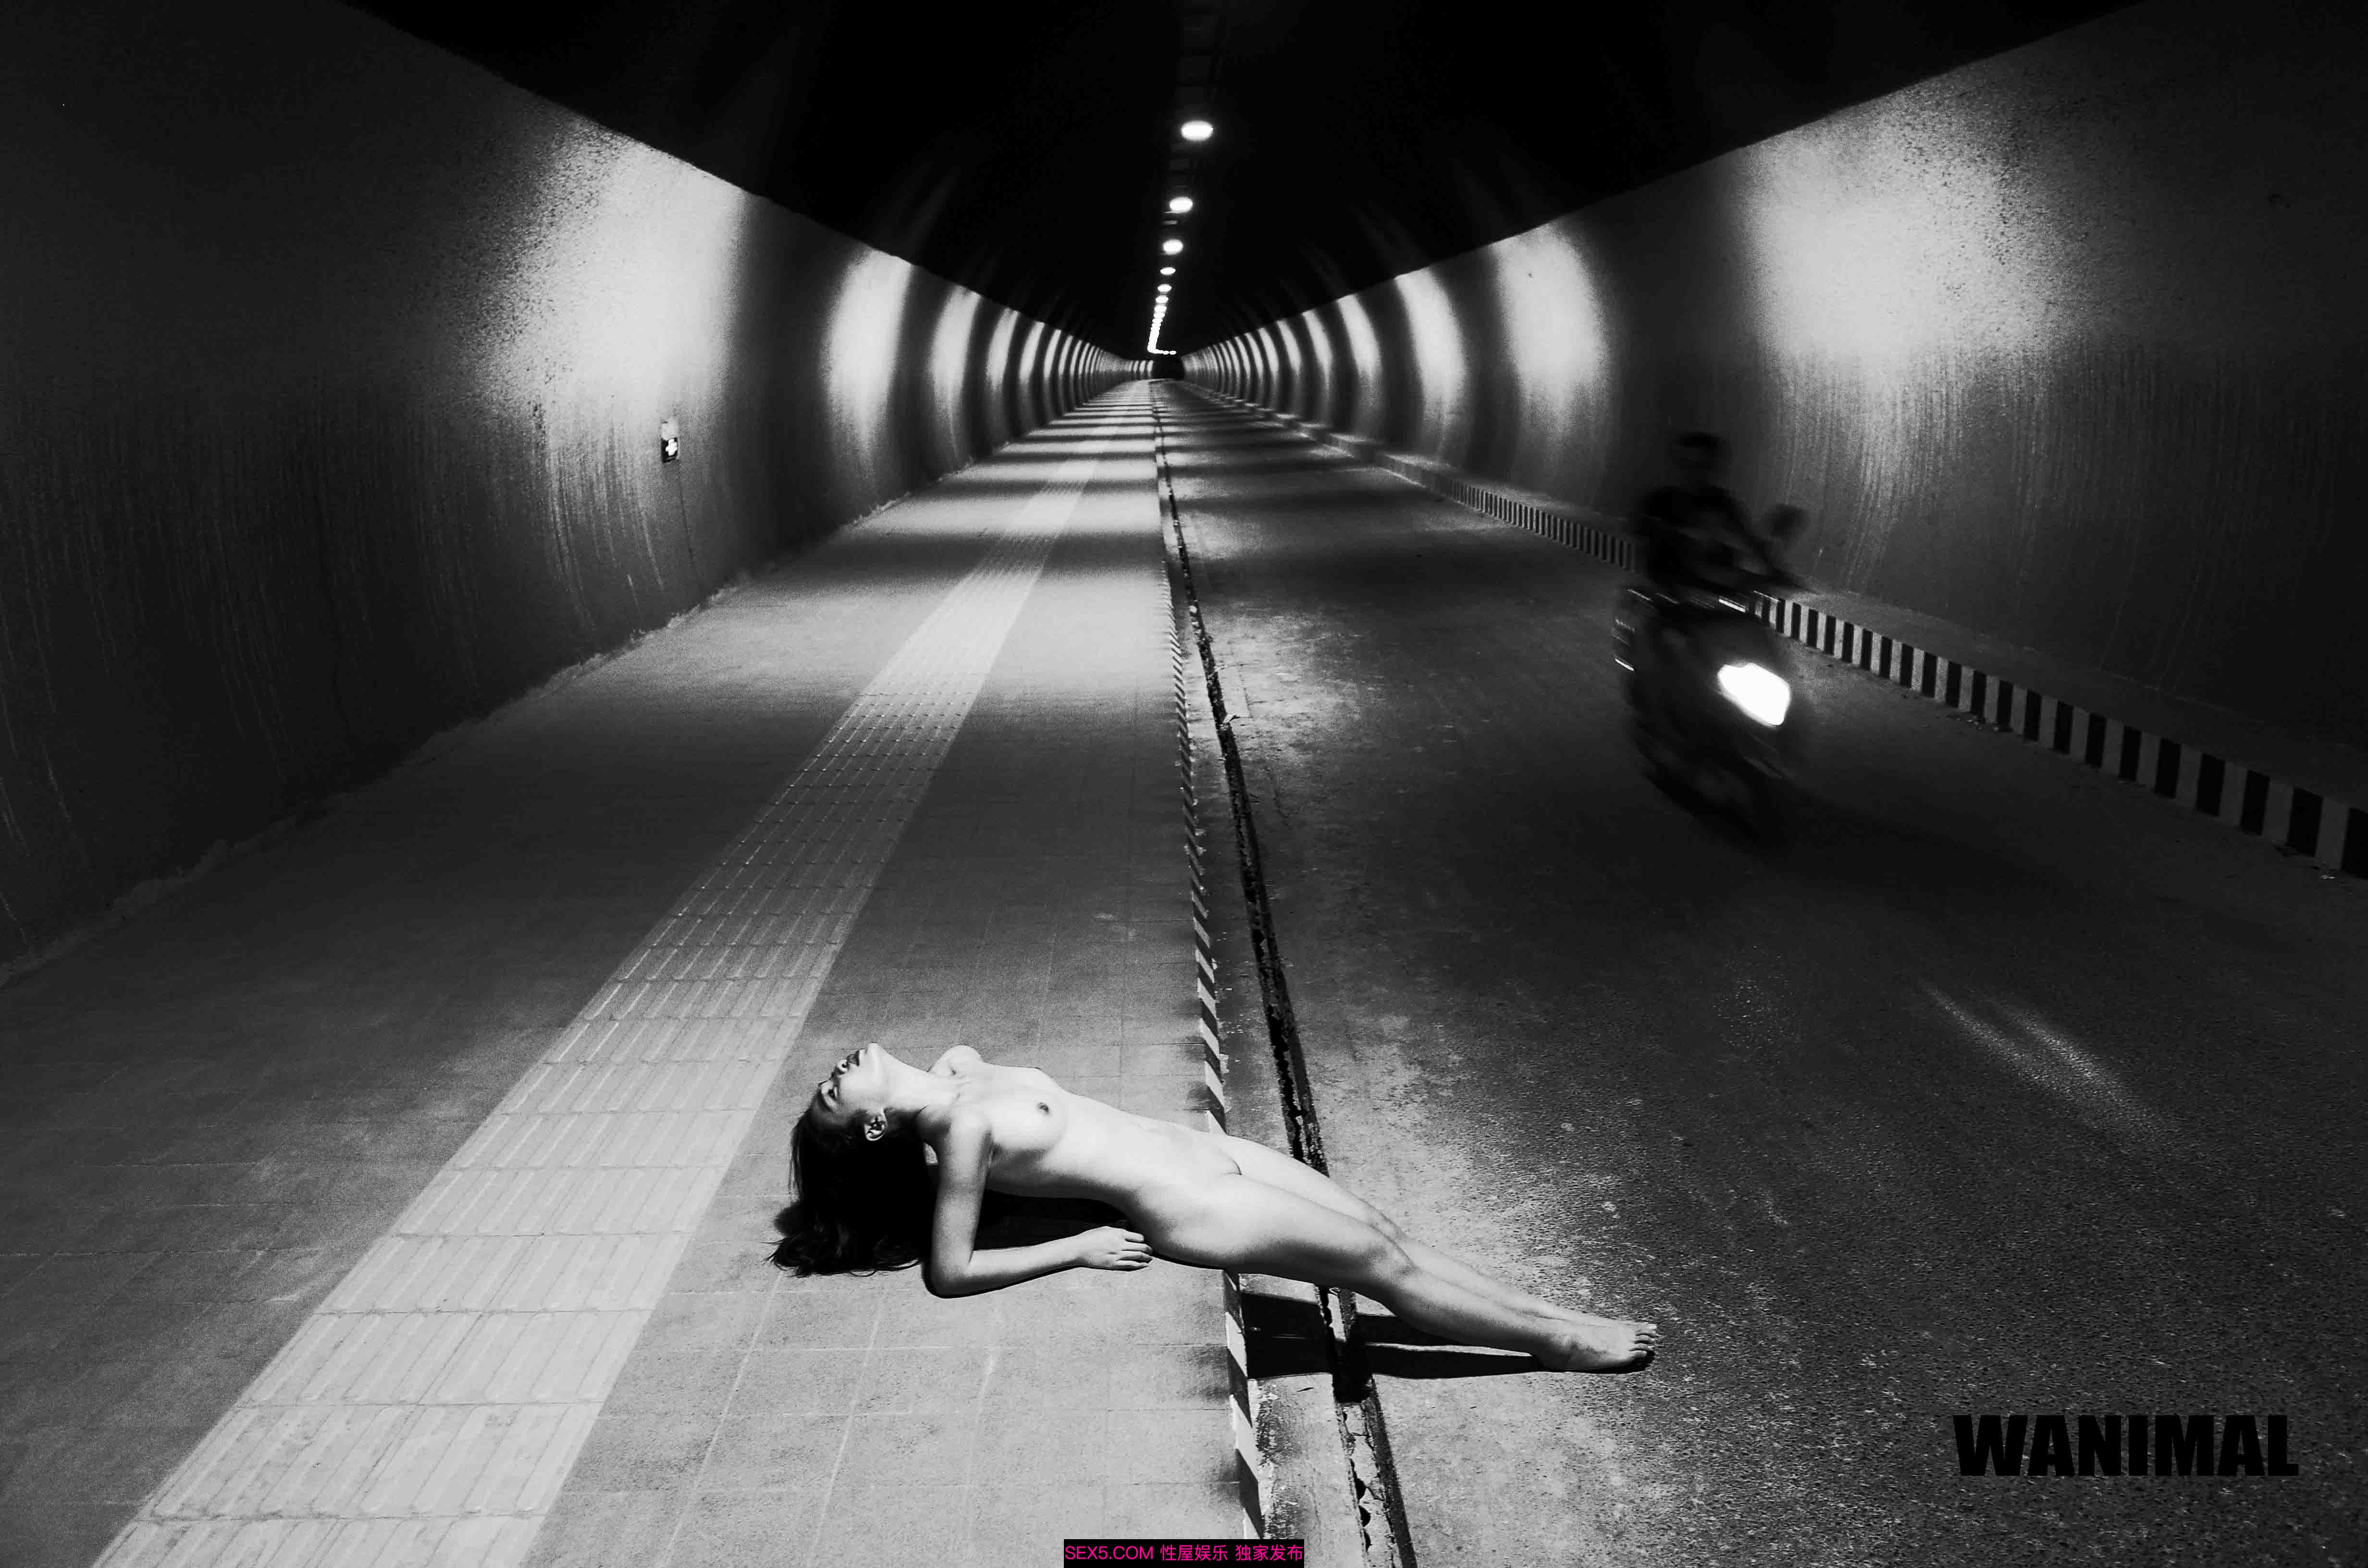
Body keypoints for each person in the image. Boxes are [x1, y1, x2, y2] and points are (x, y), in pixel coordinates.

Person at [773, 1042, 1661, 1373]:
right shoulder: (960, 1130)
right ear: (873, 1127)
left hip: (1199, 1148)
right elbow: (950, 1271)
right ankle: (1554, 1343)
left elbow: (990, 1091)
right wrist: (1077, 1247)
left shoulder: (959, 1072)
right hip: (1189, 1203)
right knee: (1381, 1268)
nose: (833, 1075)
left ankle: (1541, 1315)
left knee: (1386, 1232)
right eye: (830, 1097)